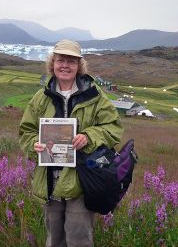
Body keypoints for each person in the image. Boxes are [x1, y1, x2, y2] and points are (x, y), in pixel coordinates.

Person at [19, 39, 123, 247]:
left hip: (81, 181)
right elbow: (26, 131)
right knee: (54, 239)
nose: (65, 65)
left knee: (78, 240)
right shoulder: (41, 98)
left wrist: (89, 136)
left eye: (71, 61)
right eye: (60, 60)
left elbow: (113, 127)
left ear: (79, 66)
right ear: (52, 63)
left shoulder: (94, 95)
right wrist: (34, 145)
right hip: (50, 181)